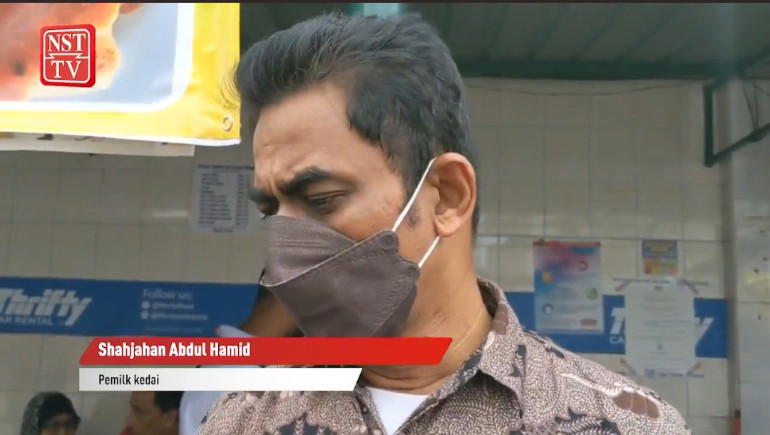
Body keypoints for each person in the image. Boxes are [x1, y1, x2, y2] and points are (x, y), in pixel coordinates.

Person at [200, 12, 690, 435]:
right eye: (270, 211)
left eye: (322, 199)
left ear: (449, 196)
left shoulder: (618, 422)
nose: (284, 252)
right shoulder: (243, 417)